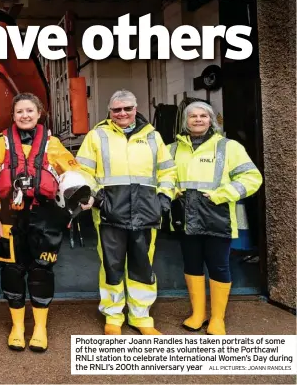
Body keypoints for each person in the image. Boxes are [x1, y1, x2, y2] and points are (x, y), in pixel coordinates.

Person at [0, 93, 89, 352]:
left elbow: (72, 170)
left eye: (29, 111)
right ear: (13, 116)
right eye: (19, 112)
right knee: (12, 272)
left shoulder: (52, 144)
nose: (24, 115)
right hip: (8, 218)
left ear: (39, 114)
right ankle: (17, 326)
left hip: (45, 217)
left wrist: (82, 195)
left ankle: (39, 327)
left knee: (41, 271)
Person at [76, 90, 176, 336]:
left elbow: (167, 172)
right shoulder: (97, 136)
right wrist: (99, 199)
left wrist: (163, 200)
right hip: (110, 213)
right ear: (109, 112)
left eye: (127, 108)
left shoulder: (153, 137)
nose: (122, 113)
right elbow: (83, 171)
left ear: (136, 108)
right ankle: (113, 315)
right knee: (112, 265)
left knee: (142, 265)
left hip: (146, 212)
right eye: (116, 110)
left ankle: (141, 317)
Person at [169, 101, 262, 335]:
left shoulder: (229, 147)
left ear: (211, 120)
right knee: (192, 265)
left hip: (217, 216)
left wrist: (223, 194)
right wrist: (172, 192)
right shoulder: (171, 149)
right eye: (193, 116)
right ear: (185, 121)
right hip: (186, 217)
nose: (198, 120)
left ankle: (217, 319)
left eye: (203, 116)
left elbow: (252, 177)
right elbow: (163, 179)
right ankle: (198, 314)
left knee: (219, 265)